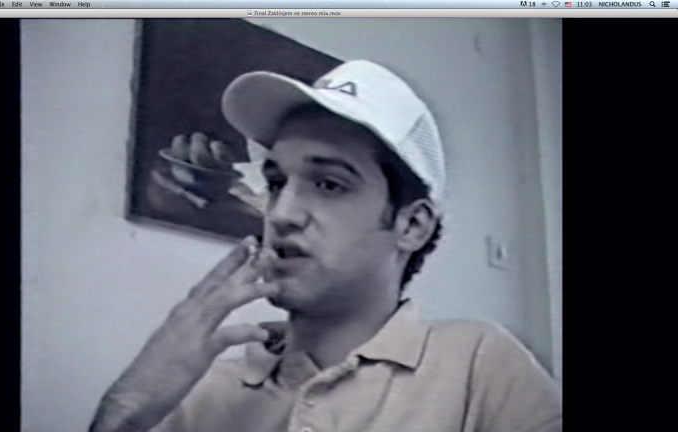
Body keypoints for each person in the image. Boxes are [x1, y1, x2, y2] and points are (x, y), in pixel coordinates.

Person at [89, 60, 562, 432]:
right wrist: (127, 409)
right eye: (276, 183)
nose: (281, 214)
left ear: (412, 225)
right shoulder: (200, 390)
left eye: (329, 185)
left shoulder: (478, 364)